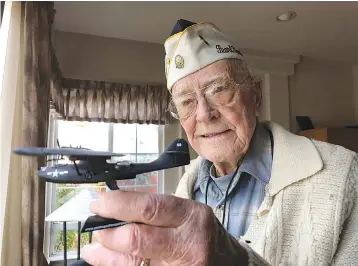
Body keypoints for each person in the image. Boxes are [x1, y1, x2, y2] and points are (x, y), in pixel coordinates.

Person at [81, 19, 358, 266]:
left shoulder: (342, 174)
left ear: (256, 94)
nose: (204, 114)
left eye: (219, 90)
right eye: (187, 102)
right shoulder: (186, 185)